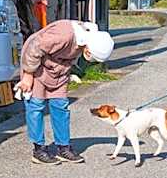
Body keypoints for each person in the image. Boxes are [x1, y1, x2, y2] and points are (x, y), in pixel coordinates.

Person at [15, 19, 115, 165]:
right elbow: (34, 48)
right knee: (35, 105)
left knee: (60, 105)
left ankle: (63, 147)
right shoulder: (64, 35)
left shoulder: (87, 38)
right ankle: (39, 150)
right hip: (36, 63)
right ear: (88, 49)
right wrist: (28, 75)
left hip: (59, 69)